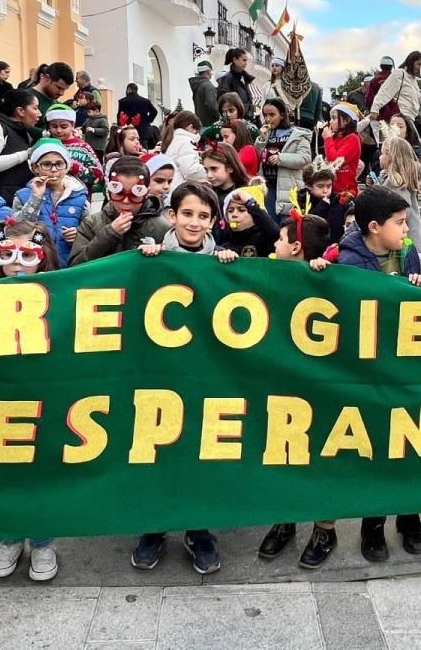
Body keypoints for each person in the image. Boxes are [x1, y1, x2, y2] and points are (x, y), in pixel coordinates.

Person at [130, 181, 236, 574]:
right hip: (158, 374)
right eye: (187, 214)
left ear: (213, 221)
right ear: (171, 216)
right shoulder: (151, 256)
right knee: (156, 445)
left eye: (203, 216)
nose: (195, 222)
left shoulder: (222, 260)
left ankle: (198, 527)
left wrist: (230, 267)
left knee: (199, 447)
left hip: (205, 375)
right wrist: (146, 260)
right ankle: (154, 525)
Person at [329, 186, 421, 561]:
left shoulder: (408, 254)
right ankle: (374, 522)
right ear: (373, 227)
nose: (406, 230)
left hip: (405, 365)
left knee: (409, 442)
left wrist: (417, 287)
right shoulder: (348, 261)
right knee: (375, 446)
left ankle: (409, 514)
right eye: (400, 223)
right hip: (368, 369)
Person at [0, 218, 62, 581]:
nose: (17, 263)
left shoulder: (61, 289)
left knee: (39, 470)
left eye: (28, 254)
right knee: (1, 470)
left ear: (44, 255)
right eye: (7, 254)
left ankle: (43, 541)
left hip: (40, 395)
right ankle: (8, 539)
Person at [257, 212, 340, 569]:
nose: (274, 245)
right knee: (281, 452)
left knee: (324, 455)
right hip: (281, 385)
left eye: (280, 240)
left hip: (323, 387)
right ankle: (284, 519)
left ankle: (325, 528)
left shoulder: (330, 279)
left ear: (295, 246)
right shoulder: (268, 274)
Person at [69, 157, 171, 265]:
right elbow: (76, 266)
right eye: (119, 193)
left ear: (146, 193)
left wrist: (160, 253)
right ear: (109, 191)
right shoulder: (91, 223)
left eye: (135, 195)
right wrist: (110, 234)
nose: (126, 201)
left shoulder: (162, 227)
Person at [11, 139, 89, 267]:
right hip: (34, 265)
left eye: (59, 164)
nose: (54, 170)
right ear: (35, 168)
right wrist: (36, 197)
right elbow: (16, 230)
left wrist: (78, 235)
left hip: (69, 266)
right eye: (47, 165)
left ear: (67, 166)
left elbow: (89, 233)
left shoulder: (80, 197)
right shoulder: (23, 196)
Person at [256, 98, 311, 216]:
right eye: (265, 115)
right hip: (267, 184)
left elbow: (305, 159)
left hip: (289, 186)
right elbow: (257, 157)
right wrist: (261, 139)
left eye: (272, 114)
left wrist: (280, 158)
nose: (268, 119)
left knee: (285, 223)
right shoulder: (265, 134)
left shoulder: (298, 135)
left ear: (282, 115)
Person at [378, 136, 421, 270]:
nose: (380, 157)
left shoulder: (396, 185)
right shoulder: (399, 181)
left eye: (383, 153)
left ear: (391, 157)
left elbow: (403, 213)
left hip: (402, 242)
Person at [369, 51, 421, 150]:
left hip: (409, 119)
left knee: (407, 149)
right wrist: (375, 109)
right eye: (418, 64)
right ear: (411, 62)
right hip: (400, 117)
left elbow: (410, 97)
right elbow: (385, 91)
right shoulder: (399, 74)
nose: (420, 67)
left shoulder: (413, 80)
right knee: (405, 148)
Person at [43, 103, 103, 193]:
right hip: (48, 197)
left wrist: (75, 168)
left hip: (77, 198)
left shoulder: (83, 147)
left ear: (72, 125)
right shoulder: (45, 146)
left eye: (64, 126)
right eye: (54, 126)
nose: (59, 130)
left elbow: (98, 175)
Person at [294, 157, 349, 242]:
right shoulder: (302, 201)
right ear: (309, 185)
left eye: (329, 186)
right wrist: (323, 206)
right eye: (320, 186)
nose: (325, 190)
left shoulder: (338, 200)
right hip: (313, 247)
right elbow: (306, 226)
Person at [217, 188, 279, 257]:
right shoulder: (224, 241)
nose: (234, 215)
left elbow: (275, 233)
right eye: (230, 211)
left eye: (241, 210)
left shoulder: (265, 239)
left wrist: (250, 203)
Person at [324, 102, 362, 199]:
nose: (330, 122)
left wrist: (327, 139)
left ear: (346, 120)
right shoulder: (336, 138)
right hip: (332, 191)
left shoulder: (353, 138)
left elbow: (335, 161)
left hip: (345, 193)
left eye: (334, 118)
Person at [163, 111, 207, 187]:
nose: (198, 135)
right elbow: (191, 171)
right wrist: (209, 171)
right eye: (197, 131)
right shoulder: (187, 142)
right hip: (181, 186)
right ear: (191, 127)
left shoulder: (177, 140)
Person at [30, 63, 75, 130]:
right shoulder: (25, 98)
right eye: (59, 87)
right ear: (47, 78)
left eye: (64, 89)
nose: (62, 93)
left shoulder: (58, 105)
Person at [216, 48, 255, 114]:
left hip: (246, 119)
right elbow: (223, 101)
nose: (246, 63)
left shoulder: (244, 78)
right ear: (235, 60)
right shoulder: (227, 78)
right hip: (234, 119)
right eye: (244, 60)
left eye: (246, 60)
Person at [190, 59, 220, 124]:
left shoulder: (198, 85)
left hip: (200, 124)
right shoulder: (208, 86)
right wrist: (220, 118)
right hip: (210, 125)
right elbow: (213, 107)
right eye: (211, 71)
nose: (212, 74)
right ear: (208, 71)